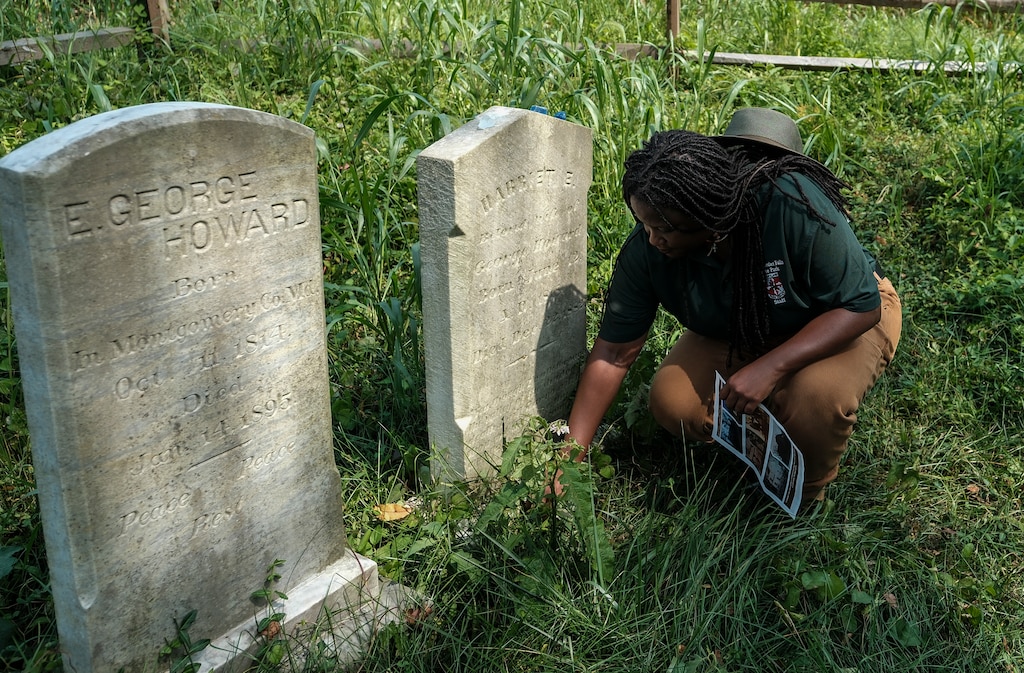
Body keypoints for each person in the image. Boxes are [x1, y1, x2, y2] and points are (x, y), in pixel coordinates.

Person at [561, 108, 902, 504]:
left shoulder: (792, 204)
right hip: (741, 326)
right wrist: (569, 458)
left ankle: (804, 495)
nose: (653, 239)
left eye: (666, 228)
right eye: (644, 223)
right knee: (673, 402)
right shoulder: (651, 247)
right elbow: (615, 352)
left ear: (713, 220)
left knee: (814, 401)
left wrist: (771, 366)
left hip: (840, 316)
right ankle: (759, 440)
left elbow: (859, 305)